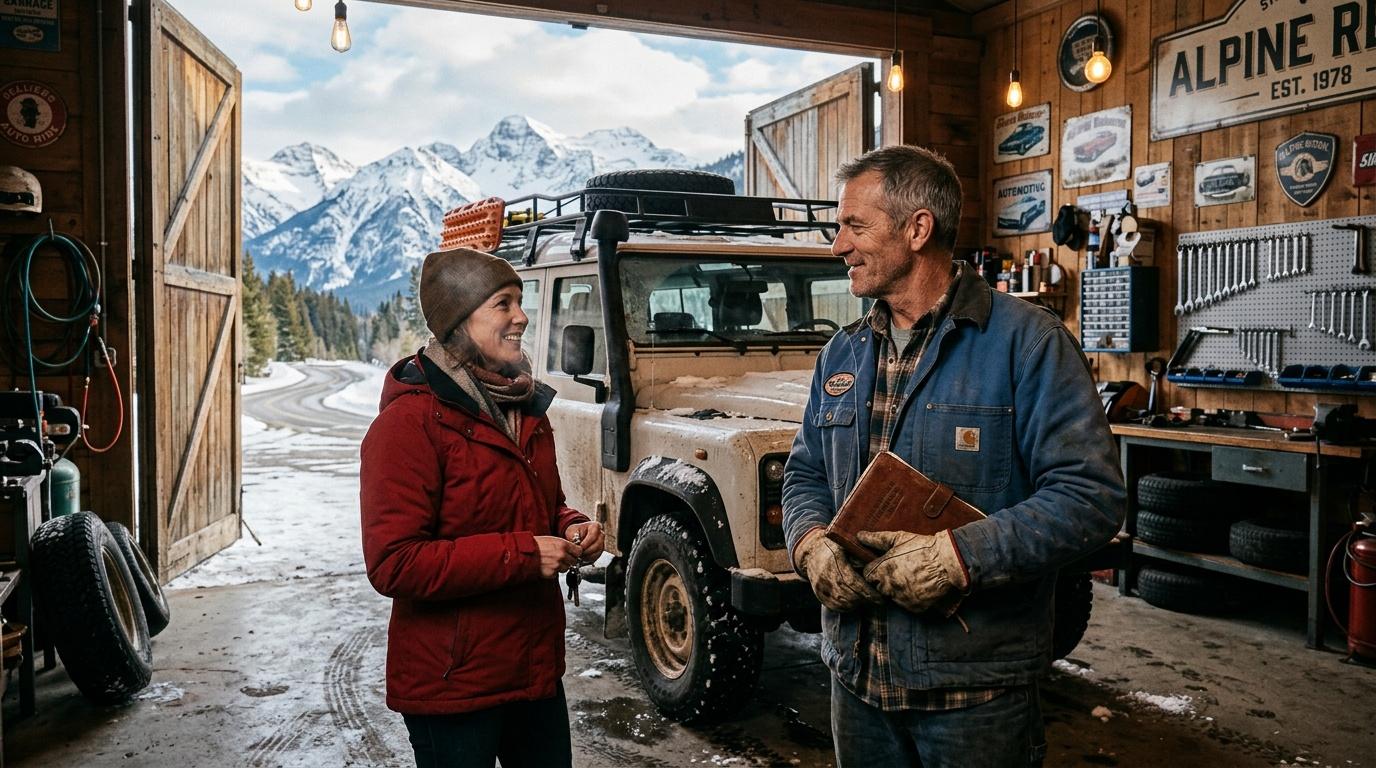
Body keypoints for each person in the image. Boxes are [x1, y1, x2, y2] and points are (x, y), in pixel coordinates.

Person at [782, 145, 1125, 767]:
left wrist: (962, 557)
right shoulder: (843, 353)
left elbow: (1090, 498)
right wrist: (808, 541)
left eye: (855, 226)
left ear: (918, 229)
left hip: (973, 693)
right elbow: (805, 470)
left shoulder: (1029, 345)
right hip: (856, 682)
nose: (838, 246)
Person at [360, 246, 604, 768]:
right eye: (503, 303)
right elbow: (394, 562)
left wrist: (573, 526)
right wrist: (522, 556)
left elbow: (543, 506)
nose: (521, 317)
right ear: (459, 321)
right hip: (453, 684)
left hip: (533, 669)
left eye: (519, 302)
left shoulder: (524, 407)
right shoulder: (407, 426)